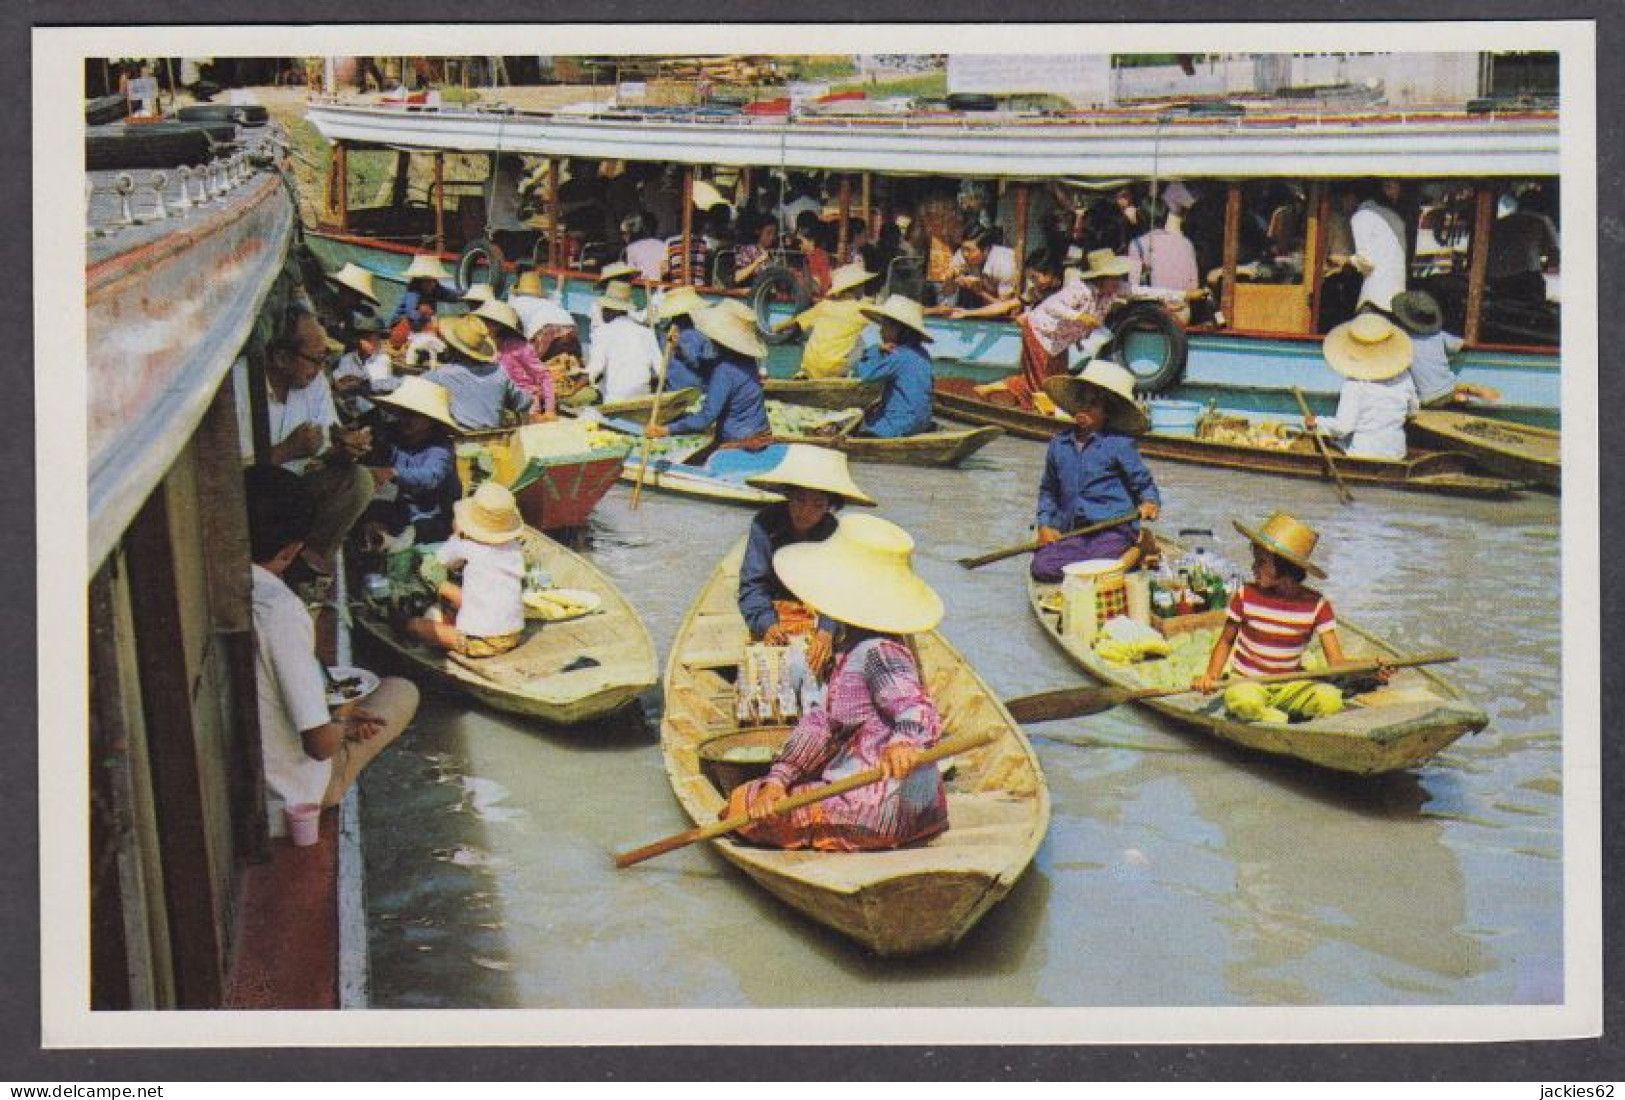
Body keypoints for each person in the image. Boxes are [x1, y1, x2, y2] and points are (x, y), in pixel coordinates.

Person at [724, 513, 949, 853]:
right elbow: (820, 724)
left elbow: (916, 707)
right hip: (907, 803)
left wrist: (903, 744)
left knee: (743, 806)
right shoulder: (852, 650)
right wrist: (780, 778)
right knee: (768, 793)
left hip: (877, 809)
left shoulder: (878, 652)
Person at [245, 465, 420, 816]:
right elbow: (320, 745)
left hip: (256, 770)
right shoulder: (281, 611)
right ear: (291, 549)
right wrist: (343, 721)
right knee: (402, 690)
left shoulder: (223, 588)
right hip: (295, 790)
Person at [1191, 512, 1385, 724]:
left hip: (1291, 684)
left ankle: (1271, 718)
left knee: (1329, 699)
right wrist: (1211, 676)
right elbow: (1226, 640)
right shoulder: (1245, 595)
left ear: (1286, 569)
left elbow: (1336, 663)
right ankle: (1277, 720)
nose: (1253, 568)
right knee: (1242, 700)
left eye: (1262, 563)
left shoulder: (1317, 605)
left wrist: (1372, 666)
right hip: (1248, 682)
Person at [737, 445, 877, 678]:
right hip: (775, 603)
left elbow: (837, 590)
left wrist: (826, 630)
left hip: (816, 605)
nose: (805, 511)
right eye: (799, 500)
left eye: (818, 504)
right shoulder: (765, 523)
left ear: (829, 506)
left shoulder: (834, 532)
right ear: (789, 496)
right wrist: (766, 623)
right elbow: (752, 583)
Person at [255, 312, 376, 577]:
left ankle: (305, 564)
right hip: (255, 500)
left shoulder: (313, 382)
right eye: (316, 360)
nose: (320, 369)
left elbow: (326, 446)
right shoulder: (243, 386)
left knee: (359, 481)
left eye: (325, 360)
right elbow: (228, 476)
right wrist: (285, 452)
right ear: (282, 358)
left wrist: (344, 450)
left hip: (298, 490)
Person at [1030, 360, 1161, 583]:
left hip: (1112, 529)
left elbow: (1144, 485)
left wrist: (1149, 503)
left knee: (1099, 567)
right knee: (1042, 568)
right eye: (1081, 401)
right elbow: (1048, 491)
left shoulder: (1119, 444)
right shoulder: (1059, 445)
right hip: (1074, 531)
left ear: (1106, 412)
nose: (1084, 409)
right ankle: (1120, 559)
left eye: (1093, 405)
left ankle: (1140, 547)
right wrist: (1045, 525)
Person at [980, 248, 1131, 411]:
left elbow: (1138, 291)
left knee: (1057, 378)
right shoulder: (1076, 290)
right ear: (1101, 279)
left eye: (1035, 277)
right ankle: (1038, 409)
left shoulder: (1098, 291)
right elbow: (1049, 306)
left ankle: (991, 389)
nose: (1033, 282)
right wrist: (1079, 317)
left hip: (1058, 340)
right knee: (1042, 382)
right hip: (1041, 334)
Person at [405, 482, 528, 658]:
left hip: (481, 641)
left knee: (415, 625)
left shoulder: (465, 545)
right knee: (465, 600)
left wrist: (456, 534)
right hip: (513, 634)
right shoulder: (514, 547)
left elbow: (440, 560)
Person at [646, 303, 772, 449]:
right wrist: (678, 349)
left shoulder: (724, 370)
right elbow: (705, 365)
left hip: (740, 442)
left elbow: (706, 418)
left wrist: (666, 430)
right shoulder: (747, 361)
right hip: (762, 433)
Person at [1304, 313, 1419, 461]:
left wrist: (1317, 422)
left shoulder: (1355, 385)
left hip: (1365, 453)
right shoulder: (1404, 377)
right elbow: (1413, 411)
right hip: (1396, 451)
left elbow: (1343, 428)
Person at [362, 376, 461, 547]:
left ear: (431, 421)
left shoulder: (440, 447)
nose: (406, 419)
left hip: (430, 515)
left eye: (414, 416)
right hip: (400, 507)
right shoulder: (394, 434)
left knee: (412, 532)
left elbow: (431, 476)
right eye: (404, 413)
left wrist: (394, 473)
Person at [1390, 291, 1501, 407]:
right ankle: (1467, 397)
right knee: (1465, 389)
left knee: (1453, 392)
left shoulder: (1402, 341)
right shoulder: (1439, 335)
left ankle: (1462, 397)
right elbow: (1463, 345)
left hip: (1426, 398)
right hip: (1448, 389)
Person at [425, 314, 536, 431]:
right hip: (492, 437)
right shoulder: (499, 372)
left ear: (453, 347)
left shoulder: (440, 375)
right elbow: (523, 402)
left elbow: (408, 387)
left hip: (457, 437)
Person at [853, 295, 935, 439]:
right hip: (921, 422)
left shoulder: (897, 355)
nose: (880, 331)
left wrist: (875, 350)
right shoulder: (923, 354)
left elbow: (865, 375)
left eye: (884, 326)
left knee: (862, 424)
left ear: (898, 329)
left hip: (899, 424)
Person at [780, 262, 879, 380]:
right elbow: (884, 321)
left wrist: (775, 327)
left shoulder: (824, 305)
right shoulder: (862, 308)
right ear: (857, 287)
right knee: (868, 338)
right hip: (833, 369)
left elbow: (793, 323)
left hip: (809, 366)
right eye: (862, 285)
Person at [1331, 179, 1407, 315]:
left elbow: (1367, 262)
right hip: (1398, 298)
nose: (1340, 205)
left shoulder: (1361, 216)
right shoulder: (1393, 217)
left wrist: (1345, 260)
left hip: (1375, 300)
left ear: (1351, 197)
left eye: (1340, 199)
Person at [475, 298, 555, 418]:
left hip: (524, 403)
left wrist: (550, 410)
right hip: (496, 400)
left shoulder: (519, 347)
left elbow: (544, 376)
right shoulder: (480, 345)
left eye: (486, 322)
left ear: (498, 325)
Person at [585, 281, 663, 403]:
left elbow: (595, 369)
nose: (602, 312)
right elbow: (660, 370)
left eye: (604, 308)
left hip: (616, 399)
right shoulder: (647, 332)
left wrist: (580, 381)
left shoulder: (603, 332)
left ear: (611, 310)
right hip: (643, 395)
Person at [1486, 187, 1560, 304]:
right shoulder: (1543, 221)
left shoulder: (1503, 222)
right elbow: (1554, 257)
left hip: (1496, 278)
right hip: (1525, 277)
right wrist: (1543, 264)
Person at [329, 315, 394, 423]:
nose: (374, 344)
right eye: (369, 340)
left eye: (377, 340)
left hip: (372, 410)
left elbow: (379, 388)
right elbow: (339, 383)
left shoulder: (383, 360)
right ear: (359, 340)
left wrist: (359, 385)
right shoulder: (348, 358)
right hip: (350, 408)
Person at [655, 285, 712, 393]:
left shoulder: (663, 333)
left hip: (674, 390)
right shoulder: (700, 333)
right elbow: (704, 364)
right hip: (693, 390)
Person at [943, 227, 1016, 310]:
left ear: (986, 250)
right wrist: (950, 278)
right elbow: (946, 293)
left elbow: (1006, 308)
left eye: (970, 250)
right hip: (983, 301)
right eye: (963, 249)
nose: (965, 254)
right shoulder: (962, 255)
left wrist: (979, 291)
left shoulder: (1003, 264)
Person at [390, 253, 460, 335]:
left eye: (432, 281)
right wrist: (423, 313)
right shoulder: (413, 292)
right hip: (402, 323)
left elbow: (451, 296)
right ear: (419, 281)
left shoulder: (436, 289)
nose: (431, 284)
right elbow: (410, 313)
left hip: (422, 323)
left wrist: (467, 295)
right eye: (427, 281)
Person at [732, 214, 780, 287]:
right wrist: (758, 261)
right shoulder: (747, 250)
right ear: (758, 231)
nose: (772, 237)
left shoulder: (776, 252)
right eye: (768, 233)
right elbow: (737, 277)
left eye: (774, 234)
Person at [623, 211, 667, 281]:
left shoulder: (631, 248)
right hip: (660, 288)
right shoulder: (663, 245)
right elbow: (665, 270)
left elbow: (631, 273)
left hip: (642, 287)